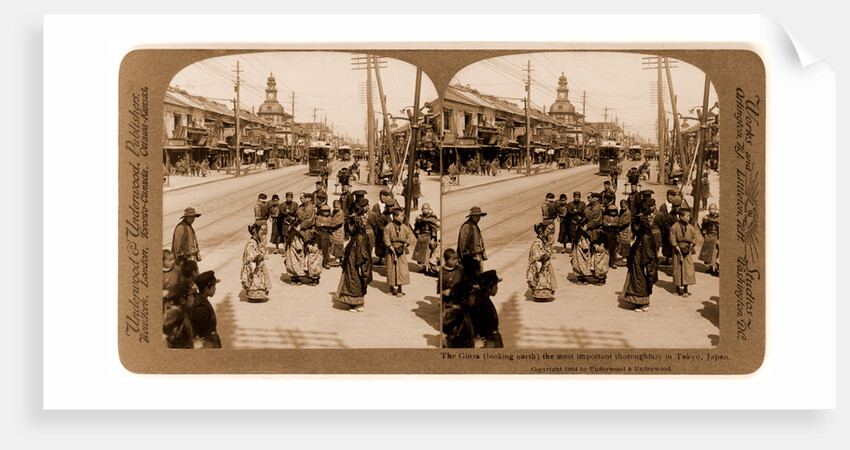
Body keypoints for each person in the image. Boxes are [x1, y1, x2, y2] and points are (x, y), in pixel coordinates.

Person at [621, 211, 659, 312]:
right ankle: (638, 302)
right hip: (637, 264)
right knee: (637, 281)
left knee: (641, 282)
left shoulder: (645, 237)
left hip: (642, 265)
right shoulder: (641, 236)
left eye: (636, 225)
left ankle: (643, 303)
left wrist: (646, 265)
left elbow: (648, 253)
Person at [336, 210, 373, 312]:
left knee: (356, 282)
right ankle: (353, 303)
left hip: (356, 265)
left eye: (350, 225)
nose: (349, 228)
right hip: (351, 264)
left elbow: (362, 254)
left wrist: (360, 266)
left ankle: (358, 303)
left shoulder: (360, 238)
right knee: (351, 282)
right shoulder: (356, 237)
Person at [571, 193, 608, 285]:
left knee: (598, 253)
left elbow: (594, 219)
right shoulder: (590, 206)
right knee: (581, 253)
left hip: (594, 233)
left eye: (590, 197)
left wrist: (587, 226)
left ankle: (599, 276)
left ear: (596, 198)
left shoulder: (597, 207)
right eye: (588, 197)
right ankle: (582, 274)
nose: (589, 199)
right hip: (585, 232)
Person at [384, 207, 416, 297]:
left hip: (401, 251)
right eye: (401, 216)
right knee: (391, 269)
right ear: (395, 216)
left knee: (401, 269)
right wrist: (391, 248)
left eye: (403, 216)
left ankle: (400, 289)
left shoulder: (404, 227)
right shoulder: (388, 227)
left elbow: (409, 237)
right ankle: (391, 287)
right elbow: (386, 238)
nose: (403, 218)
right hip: (391, 251)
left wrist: (405, 245)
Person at [468, 270, 504, 348]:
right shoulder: (483, 304)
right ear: (488, 288)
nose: (497, 288)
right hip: (489, 340)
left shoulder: (481, 298)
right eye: (495, 285)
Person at [670, 206, 698, 297]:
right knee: (677, 269)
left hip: (687, 251)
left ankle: (686, 289)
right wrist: (676, 247)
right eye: (687, 216)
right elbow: (672, 238)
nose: (688, 218)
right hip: (677, 251)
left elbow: (694, 237)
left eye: (689, 216)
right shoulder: (674, 227)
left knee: (687, 269)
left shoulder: (690, 227)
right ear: (681, 217)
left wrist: (691, 245)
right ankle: (677, 288)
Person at [190, 271, 222, 348]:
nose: (215, 289)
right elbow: (200, 332)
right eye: (213, 286)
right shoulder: (201, 308)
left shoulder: (201, 299)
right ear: (207, 288)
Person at [527, 222, 557, 301]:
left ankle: (542, 295)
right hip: (539, 267)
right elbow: (539, 256)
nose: (547, 233)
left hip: (543, 265)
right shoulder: (537, 243)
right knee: (540, 280)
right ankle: (539, 296)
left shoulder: (541, 242)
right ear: (542, 233)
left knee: (543, 280)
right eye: (546, 231)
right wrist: (548, 251)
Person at [241, 223, 271, 301]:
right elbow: (251, 256)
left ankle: (256, 295)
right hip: (253, 267)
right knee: (254, 281)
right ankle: (254, 296)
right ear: (256, 233)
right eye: (260, 232)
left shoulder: (255, 242)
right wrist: (260, 255)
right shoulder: (251, 244)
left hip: (256, 265)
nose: (261, 233)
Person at [163, 281, 196, 349]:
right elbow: (166, 341)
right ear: (182, 300)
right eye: (193, 295)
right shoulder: (174, 314)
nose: (194, 298)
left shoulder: (182, 312)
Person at [413, 203, 440, 276]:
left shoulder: (432, 217)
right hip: (421, 237)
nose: (424, 210)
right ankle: (424, 267)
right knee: (421, 253)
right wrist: (418, 234)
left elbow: (434, 229)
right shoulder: (420, 217)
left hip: (429, 236)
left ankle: (428, 269)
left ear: (429, 209)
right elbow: (417, 227)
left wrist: (433, 239)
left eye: (426, 209)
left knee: (427, 254)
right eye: (423, 209)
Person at [699, 203, 720, 276]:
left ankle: (715, 269)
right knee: (708, 253)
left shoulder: (719, 218)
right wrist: (705, 234)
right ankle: (710, 267)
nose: (712, 210)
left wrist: (719, 239)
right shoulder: (706, 218)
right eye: (710, 209)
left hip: (716, 236)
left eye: (713, 209)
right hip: (708, 236)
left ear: (716, 209)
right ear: (708, 210)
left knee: (715, 253)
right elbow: (703, 227)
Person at [315, 204, 334, 269]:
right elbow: (317, 224)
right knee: (319, 248)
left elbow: (329, 225)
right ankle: (319, 262)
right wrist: (323, 224)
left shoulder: (330, 218)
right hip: (319, 233)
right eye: (324, 211)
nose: (325, 212)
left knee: (326, 248)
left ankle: (326, 262)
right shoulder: (319, 217)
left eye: (327, 211)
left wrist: (322, 224)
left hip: (326, 233)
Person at [602, 203, 620, 269]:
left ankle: (613, 262)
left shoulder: (617, 218)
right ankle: (606, 262)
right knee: (606, 248)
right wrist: (610, 224)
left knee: (613, 249)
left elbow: (616, 224)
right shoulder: (606, 217)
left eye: (614, 211)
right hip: (607, 233)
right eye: (611, 211)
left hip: (614, 234)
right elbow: (604, 223)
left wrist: (609, 224)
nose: (613, 212)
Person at [330, 200, 346, 266]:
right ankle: (339, 258)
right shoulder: (334, 211)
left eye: (336, 207)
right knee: (335, 244)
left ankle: (338, 259)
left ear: (340, 206)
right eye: (334, 207)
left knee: (338, 244)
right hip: (335, 231)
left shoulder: (340, 213)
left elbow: (337, 222)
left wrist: (330, 225)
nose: (335, 208)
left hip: (339, 230)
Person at [617, 199, 633, 264]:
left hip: (626, 229)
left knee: (626, 244)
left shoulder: (628, 212)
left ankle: (625, 257)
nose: (623, 208)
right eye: (622, 206)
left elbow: (625, 222)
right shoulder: (622, 211)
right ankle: (623, 256)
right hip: (622, 230)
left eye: (624, 206)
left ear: (627, 205)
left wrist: (618, 224)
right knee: (622, 243)